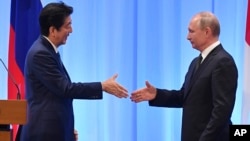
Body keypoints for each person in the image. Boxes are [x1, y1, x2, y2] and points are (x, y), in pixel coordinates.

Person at [20, 2, 128, 141]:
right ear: (53, 30)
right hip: (44, 134)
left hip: (54, 130)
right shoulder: (41, 54)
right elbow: (65, 89)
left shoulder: (47, 50)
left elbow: (56, 96)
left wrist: (66, 128)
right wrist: (102, 86)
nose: (71, 30)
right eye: (67, 26)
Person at [131, 11, 238, 141]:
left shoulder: (223, 61)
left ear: (207, 32)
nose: (187, 37)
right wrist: (157, 94)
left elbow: (222, 112)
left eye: (191, 31)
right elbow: (184, 97)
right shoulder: (195, 62)